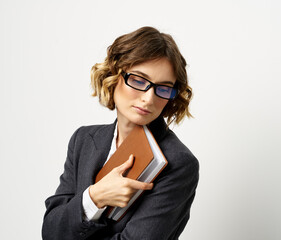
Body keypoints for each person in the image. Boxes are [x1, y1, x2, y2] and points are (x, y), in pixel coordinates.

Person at [42, 26, 199, 240]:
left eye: (163, 88)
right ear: (114, 76)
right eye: (138, 80)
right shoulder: (83, 140)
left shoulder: (178, 163)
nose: (148, 98)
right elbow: (51, 231)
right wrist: (94, 197)